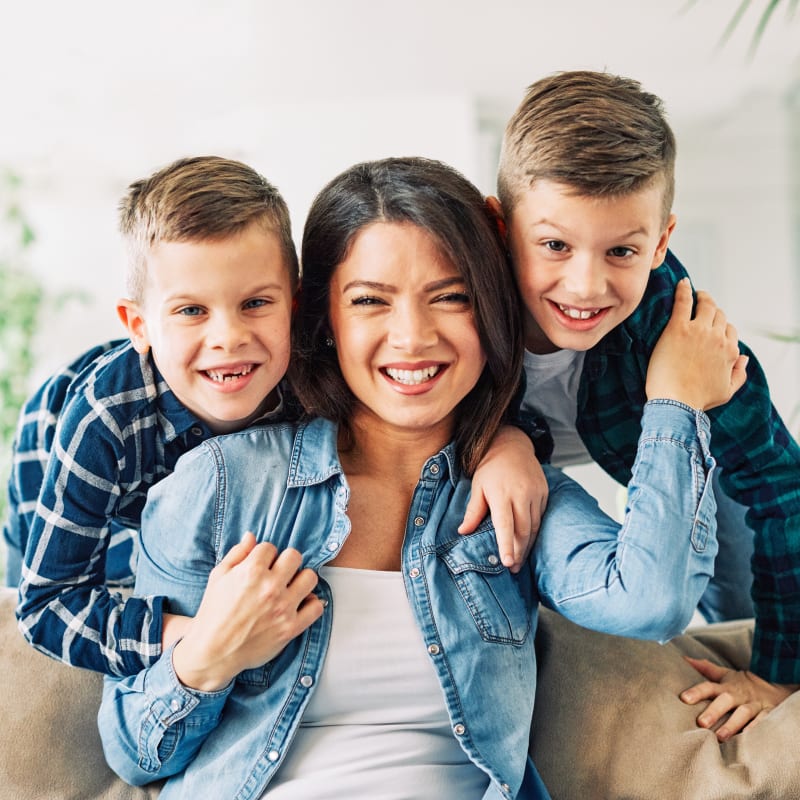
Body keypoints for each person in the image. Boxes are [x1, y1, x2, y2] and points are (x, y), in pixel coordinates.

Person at [98, 156, 743, 799]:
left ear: (490, 311)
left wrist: (676, 406)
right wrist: (207, 657)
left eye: (450, 297)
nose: (411, 337)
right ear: (321, 319)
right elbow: (133, 752)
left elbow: (649, 599)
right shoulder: (222, 485)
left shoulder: (516, 496)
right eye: (371, 301)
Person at [5, 155, 550, 676]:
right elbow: (48, 604)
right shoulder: (104, 419)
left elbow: (442, 411)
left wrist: (508, 443)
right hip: (66, 458)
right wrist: (198, 639)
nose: (230, 339)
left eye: (256, 304)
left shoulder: (310, 369)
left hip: (203, 528)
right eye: (192, 310)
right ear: (139, 324)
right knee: (108, 589)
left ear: (295, 303)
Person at [490, 70, 800, 710]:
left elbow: (782, 486)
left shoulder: (676, 323)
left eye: (621, 253)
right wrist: (497, 438)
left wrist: (776, 676)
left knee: (744, 597)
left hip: (673, 428)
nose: (584, 286)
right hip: (511, 462)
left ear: (661, 243)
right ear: (499, 230)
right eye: (553, 245)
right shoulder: (457, 301)